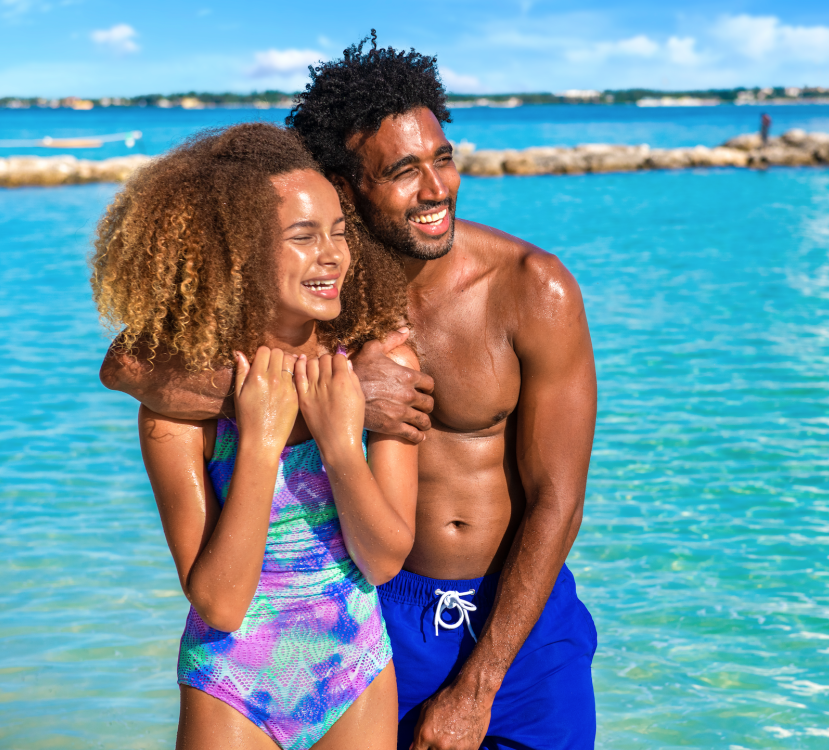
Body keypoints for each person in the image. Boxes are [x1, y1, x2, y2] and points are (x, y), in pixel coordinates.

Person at [100, 35, 599, 750]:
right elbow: (126, 365)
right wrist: (333, 392)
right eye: (402, 171)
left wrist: (479, 686)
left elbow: (560, 500)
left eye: (443, 159)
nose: (436, 190)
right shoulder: (332, 304)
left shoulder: (531, 288)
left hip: (520, 621)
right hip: (380, 614)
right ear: (345, 186)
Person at [91, 123, 419, 750]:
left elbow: (383, 561)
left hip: (355, 669)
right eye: (303, 236)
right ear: (237, 256)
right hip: (230, 677)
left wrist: (341, 443)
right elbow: (219, 603)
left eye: (339, 232)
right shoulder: (178, 408)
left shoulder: (378, 369)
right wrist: (263, 444)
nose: (333, 255)